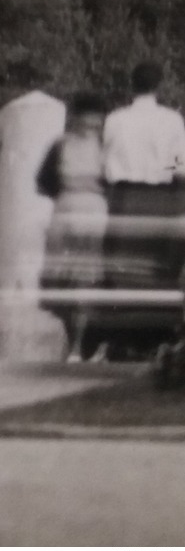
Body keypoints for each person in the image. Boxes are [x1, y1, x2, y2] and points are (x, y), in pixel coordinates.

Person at [37, 92, 110, 362]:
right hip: (68, 210)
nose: (90, 123)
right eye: (85, 117)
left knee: (86, 279)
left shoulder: (105, 146)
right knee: (60, 280)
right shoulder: (61, 146)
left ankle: (79, 346)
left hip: (92, 211)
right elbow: (44, 181)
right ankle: (73, 341)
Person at [102, 62, 185, 290]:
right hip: (160, 199)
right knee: (158, 268)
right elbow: (180, 167)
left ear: (132, 85)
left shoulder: (115, 119)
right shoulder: (172, 121)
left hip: (123, 198)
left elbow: (104, 164)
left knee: (122, 267)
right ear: (159, 86)